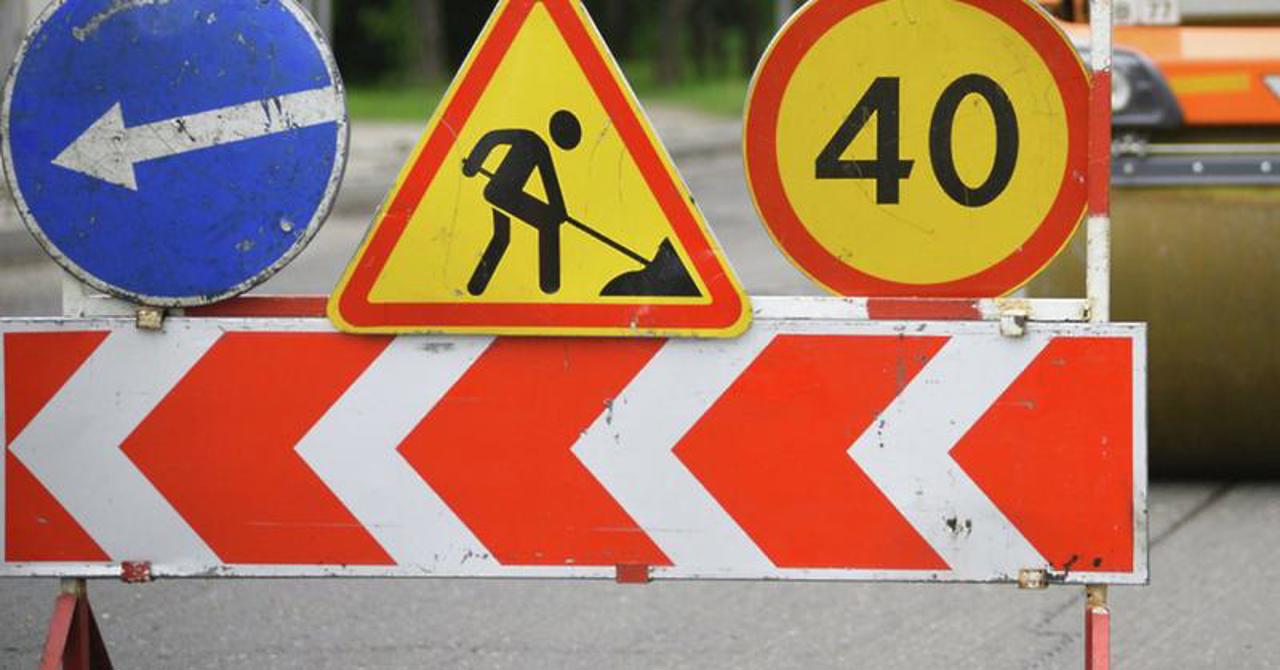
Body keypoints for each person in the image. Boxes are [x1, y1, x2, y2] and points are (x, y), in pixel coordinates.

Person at [462, 109, 582, 295]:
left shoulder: (538, 144)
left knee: (501, 237)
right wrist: (473, 163)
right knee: (548, 223)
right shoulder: (531, 139)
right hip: (502, 193)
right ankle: (550, 285)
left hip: (497, 192)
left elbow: (550, 182)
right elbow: (492, 138)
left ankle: (475, 287)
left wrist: (560, 210)